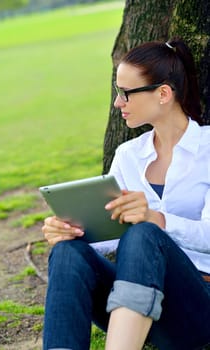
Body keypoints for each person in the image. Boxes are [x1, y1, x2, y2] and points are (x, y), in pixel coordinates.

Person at [42, 38, 210, 350]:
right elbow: (110, 233)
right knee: (68, 252)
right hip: (134, 302)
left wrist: (156, 219)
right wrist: (70, 230)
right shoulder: (128, 155)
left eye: (126, 93)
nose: (118, 103)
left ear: (163, 94)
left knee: (144, 233)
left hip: (198, 306)